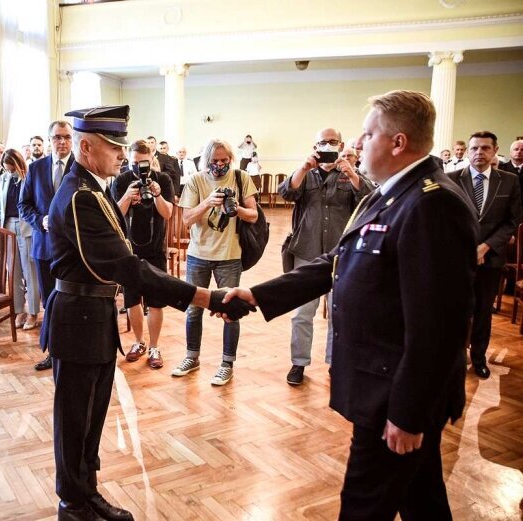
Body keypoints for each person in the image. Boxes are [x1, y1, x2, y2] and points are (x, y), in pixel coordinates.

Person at [222, 90, 478, 519]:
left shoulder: (432, 204)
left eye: (367, 133)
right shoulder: (392, 194)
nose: (355, 144)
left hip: (393, 395)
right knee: (422, 499)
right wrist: (259, 293)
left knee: (363, 505)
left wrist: (409, 414)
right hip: (387, 385)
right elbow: (337, 261)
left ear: (398, 142)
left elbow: (439, 328)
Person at [43, 104, 253, 521]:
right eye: (114, 146)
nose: (122, 155)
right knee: (74, 422)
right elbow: (129, 268)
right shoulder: (80, 195)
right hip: (79, 317)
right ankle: (73, 504)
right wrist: (207, 298)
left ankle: (88, 494)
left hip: (94, 315)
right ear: (87, 147)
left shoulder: (91, 186)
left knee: (91, 418)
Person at [279, 128, 373, 385]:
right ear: (316, 145)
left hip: (341, 255)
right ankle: (298, 363)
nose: (328, 146)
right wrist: (304, 166)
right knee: (301, 313)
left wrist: (351, 172)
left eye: (333, 142)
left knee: (338, 313)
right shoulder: (306, 173)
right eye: (323, 142)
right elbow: (285, 193)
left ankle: (335, 362)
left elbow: (371, 199)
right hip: (306, 251)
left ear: (341, 145)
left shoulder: (352, 173)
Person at [172, 138, 259, 386]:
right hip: (199, 255)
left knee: (231, 312)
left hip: (230, 256)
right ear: (205, 160)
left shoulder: (241, 177)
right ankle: (192, 356)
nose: (220, 165)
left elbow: (253, 214)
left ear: (230, 159)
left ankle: (227, 363)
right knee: (193, 310)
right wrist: (207, 202)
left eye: (224, 160)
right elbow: (187, 219)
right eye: (215, 161)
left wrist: (236, 210)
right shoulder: (196, 180)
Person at [447, 131, 522, 379]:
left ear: (494, 150)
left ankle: (478, 358)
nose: (479, 152)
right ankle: (453, 359)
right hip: (457, 259)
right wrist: (468, 248)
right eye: (474, 148)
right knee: (456, 310)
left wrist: (486, 246)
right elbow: (444, 219)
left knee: (482, 311)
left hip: (490, 259)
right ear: (468, 151)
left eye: (485, 148)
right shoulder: (451, 179)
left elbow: (512, 222)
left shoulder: (509, 181)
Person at [112, 139, 175, 369]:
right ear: (129, 160)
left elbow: (167, 213)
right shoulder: (121, 181)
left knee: (156, 301)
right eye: (135, 163)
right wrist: (128, 196)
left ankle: (155, 346)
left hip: (156, 248)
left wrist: (157, 195)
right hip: (128, 250)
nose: (140, 168)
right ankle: (139, 342)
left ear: (152, 159)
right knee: (131, 299)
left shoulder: (164, 179)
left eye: (144, 163)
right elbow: (115, 216)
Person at [19, 120, 75, 371]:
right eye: (57, 137)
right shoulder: (36, 168)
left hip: (74, 248)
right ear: (49, 139)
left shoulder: (81, 167)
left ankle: (73, 351)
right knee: (49, 301)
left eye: (66, 137)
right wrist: (39, 220)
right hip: (44, 246)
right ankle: (54, 352)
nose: (62, 142)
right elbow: (24, 205)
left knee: (71, 300)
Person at [0, 148, 40, 331]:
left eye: (12, 169)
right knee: (13, 272)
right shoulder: (4, 178)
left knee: (30, 271)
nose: (9, 172)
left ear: (18, 165)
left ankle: (33, 312)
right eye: (7, 169)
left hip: (26, 227)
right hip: (8, 226)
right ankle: (19, 310)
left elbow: (35, 203)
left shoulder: (29, 176)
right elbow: (0, 204)